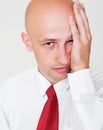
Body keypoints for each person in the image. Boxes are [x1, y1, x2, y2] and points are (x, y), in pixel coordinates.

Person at [0, 0, 103, 129]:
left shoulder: (99, 90)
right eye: (49, 43)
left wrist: (81, 71)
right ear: (28, 42)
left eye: (71, 41)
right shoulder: (8, 94)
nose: (64, 59)